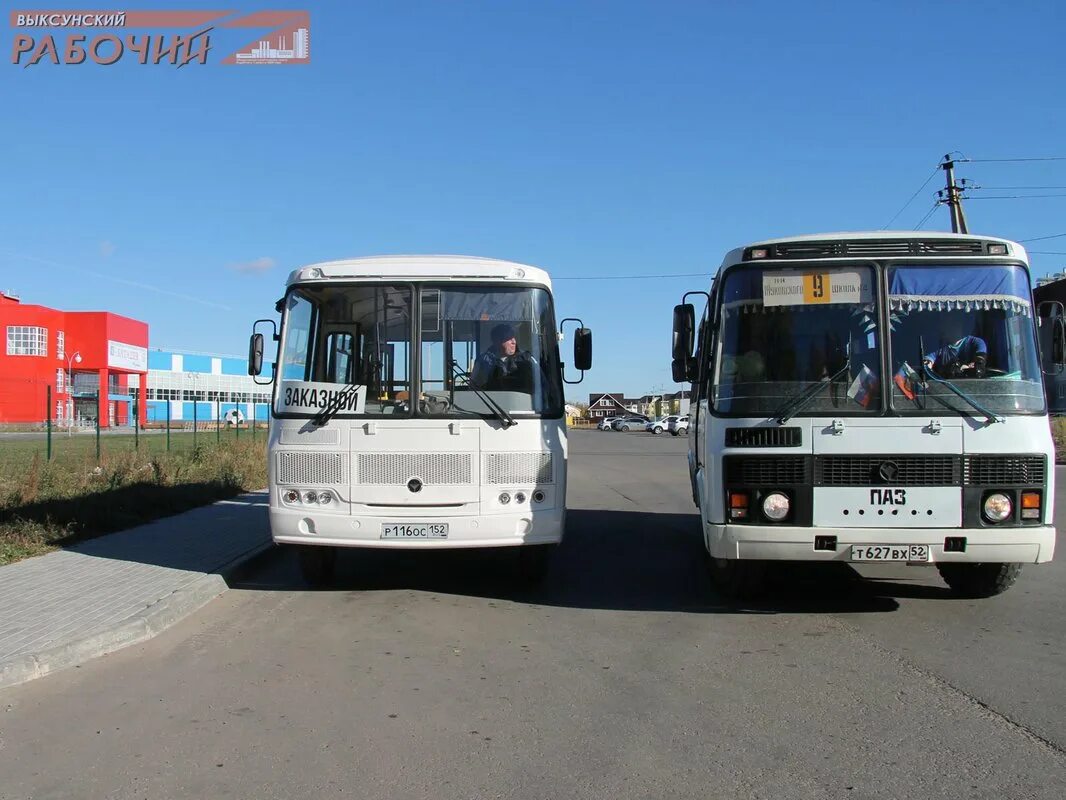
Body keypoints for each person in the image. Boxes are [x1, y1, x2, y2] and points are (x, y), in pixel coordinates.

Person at [470, 323, 535, 391]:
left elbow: (542, 386)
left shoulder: (526, 358)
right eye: (509, 338)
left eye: (514, 338)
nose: (514, 342)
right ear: (497, 341)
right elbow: (473, 389)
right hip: (490, 400)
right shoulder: (483, 362)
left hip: (522, 401)